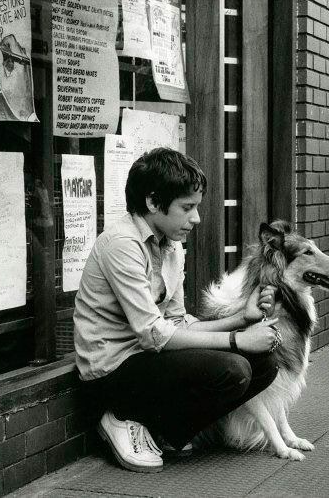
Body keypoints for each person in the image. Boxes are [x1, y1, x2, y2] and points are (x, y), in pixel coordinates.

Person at [73, 148, 281, 473]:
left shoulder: (171, 247)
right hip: (111, 372)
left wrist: (242, 319)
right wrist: (238, 340)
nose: (196, 218)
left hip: (147, 357)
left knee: (265, 364)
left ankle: (164, 432)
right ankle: (121, 416)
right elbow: (155, 334)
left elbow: (176, 323)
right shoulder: (121, 245)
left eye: (196, 207)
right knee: (234, 368)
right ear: (154, 202)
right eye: (187, 207)